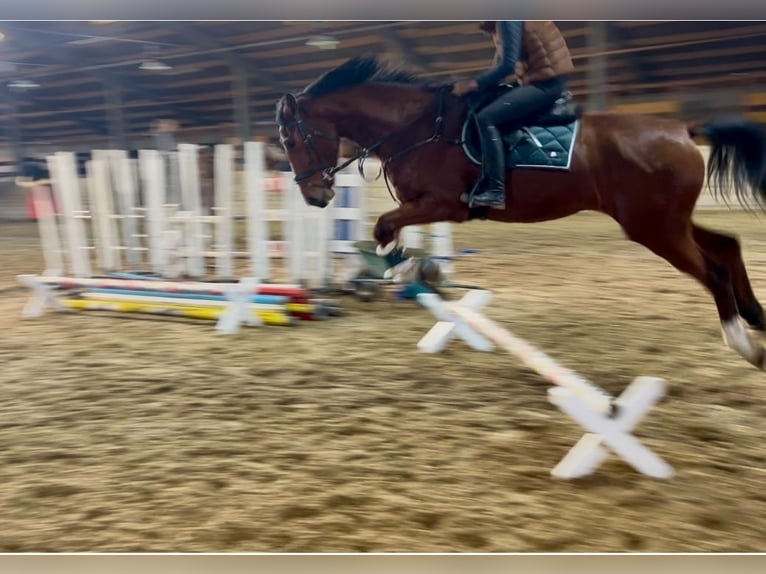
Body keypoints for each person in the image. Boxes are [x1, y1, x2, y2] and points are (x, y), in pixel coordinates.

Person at [453, 21, 575, 210]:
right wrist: (481, 86)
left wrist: (473, 85)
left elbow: (507, 65)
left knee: (486, 119)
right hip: (541, 79)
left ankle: (496, 190)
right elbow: (499, 63)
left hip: (546, 84)